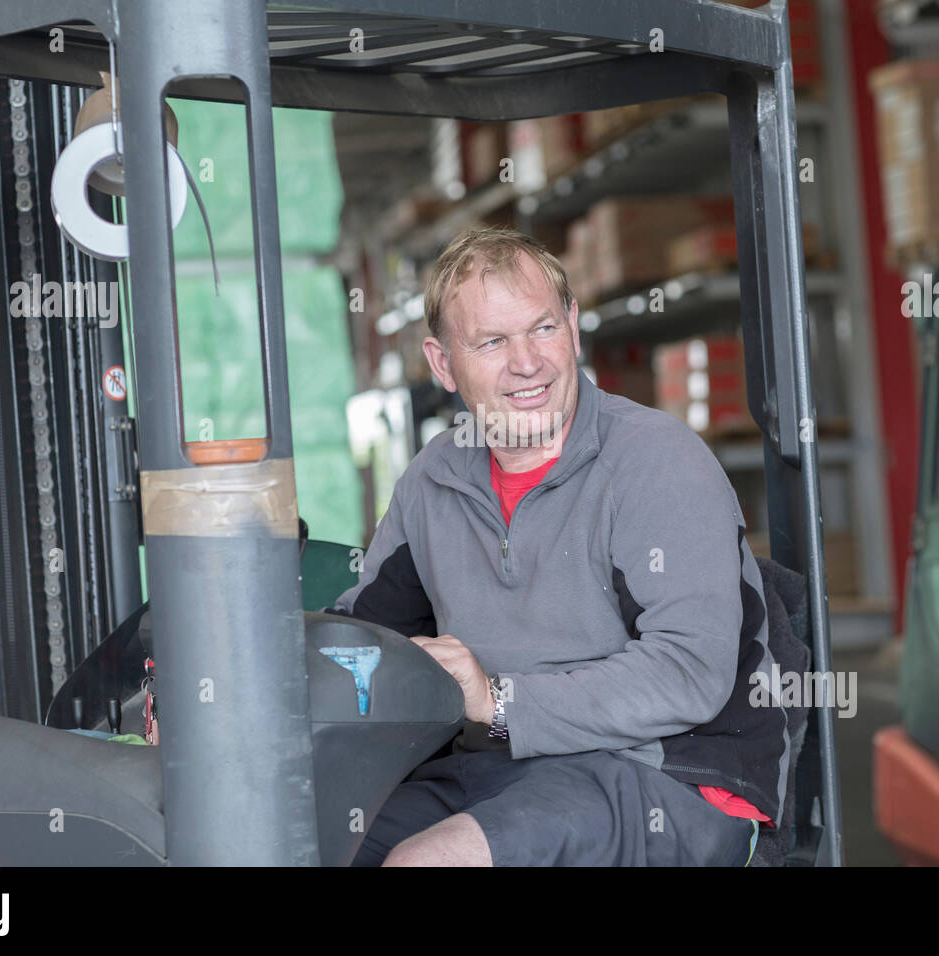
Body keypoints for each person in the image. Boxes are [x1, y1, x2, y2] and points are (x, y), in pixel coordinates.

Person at [332, 225, 793, 866]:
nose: (527, 362)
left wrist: (497, 701)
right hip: (500, 770)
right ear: (442, 363)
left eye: (543, 329)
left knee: (430, 863)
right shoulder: (433, 480)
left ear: (573, 326)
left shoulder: (655, 461)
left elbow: (689, 675)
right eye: (492, 341)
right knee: (303, 839)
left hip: (667, 774)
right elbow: (362, 639)